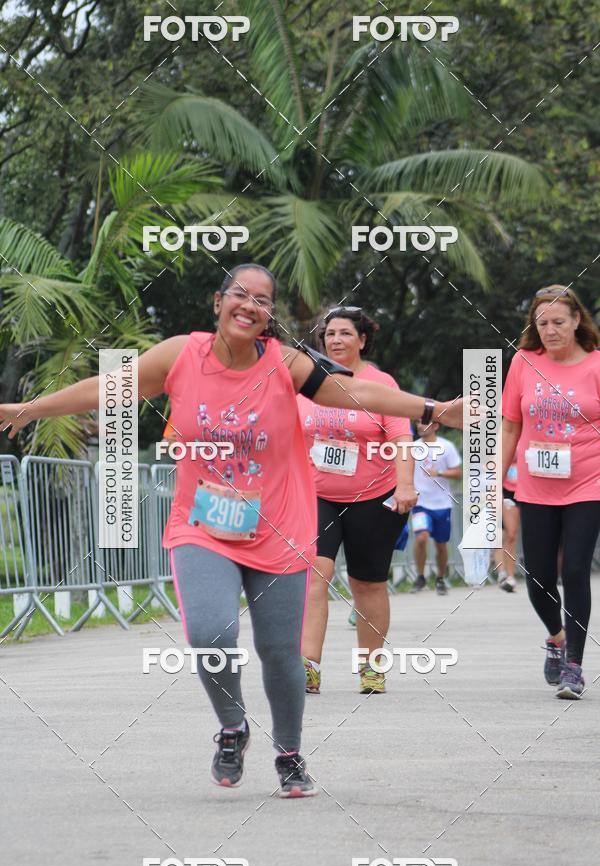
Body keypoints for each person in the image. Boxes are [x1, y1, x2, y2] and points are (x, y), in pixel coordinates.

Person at [0, 263, 463, 795]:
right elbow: (110, 387)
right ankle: (232, 726)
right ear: (218, 302)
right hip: (204, 524)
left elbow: (359, 394)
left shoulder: (285, 364)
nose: (250, 304)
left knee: (279, 652)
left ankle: (289, 753)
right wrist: (31, 408)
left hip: (279, 525)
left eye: (263, 299)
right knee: (210, 634)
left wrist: (433, 408)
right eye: (240, 294)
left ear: (270, 315)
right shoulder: (180, 355)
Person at [297, 307, 416, 695]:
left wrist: (404, 486)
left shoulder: (381, 383)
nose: (336, 340)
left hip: (373, 497)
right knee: (315, 574)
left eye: (346, 333)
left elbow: (401, 439)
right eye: (330, 334)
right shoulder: (307, 383)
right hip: (317, 496)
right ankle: (307, 667)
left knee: (367, 583)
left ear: (362, 340)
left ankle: (371, 666)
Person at [501, 284, 600, 700]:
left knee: (575, 569)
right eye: (542, 323)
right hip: (535, 484)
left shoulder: (596, 365)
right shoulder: (524, 362)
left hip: (587, 481)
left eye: (559, 322)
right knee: (538, 577)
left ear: (577, 320)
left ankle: (574, 665)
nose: (550, 330)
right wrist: (492, 479)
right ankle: (556, 638)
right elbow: (509, 425)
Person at [409, 421, 462, 595]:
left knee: (441, 544)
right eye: (418, 422)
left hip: (441, 504)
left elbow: (458, 472)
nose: (420, 426)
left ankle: (440, 578)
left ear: (436, 426)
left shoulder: (446, 446)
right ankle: (420, 576)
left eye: (425, 423)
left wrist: (439, 473)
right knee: (421, 538)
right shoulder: (411, 447)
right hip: (420, 503)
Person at [493, 455, 520, 592]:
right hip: (506, 490)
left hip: (531, 487)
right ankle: (507, 575)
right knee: (509, 534)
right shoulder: (500, 436)